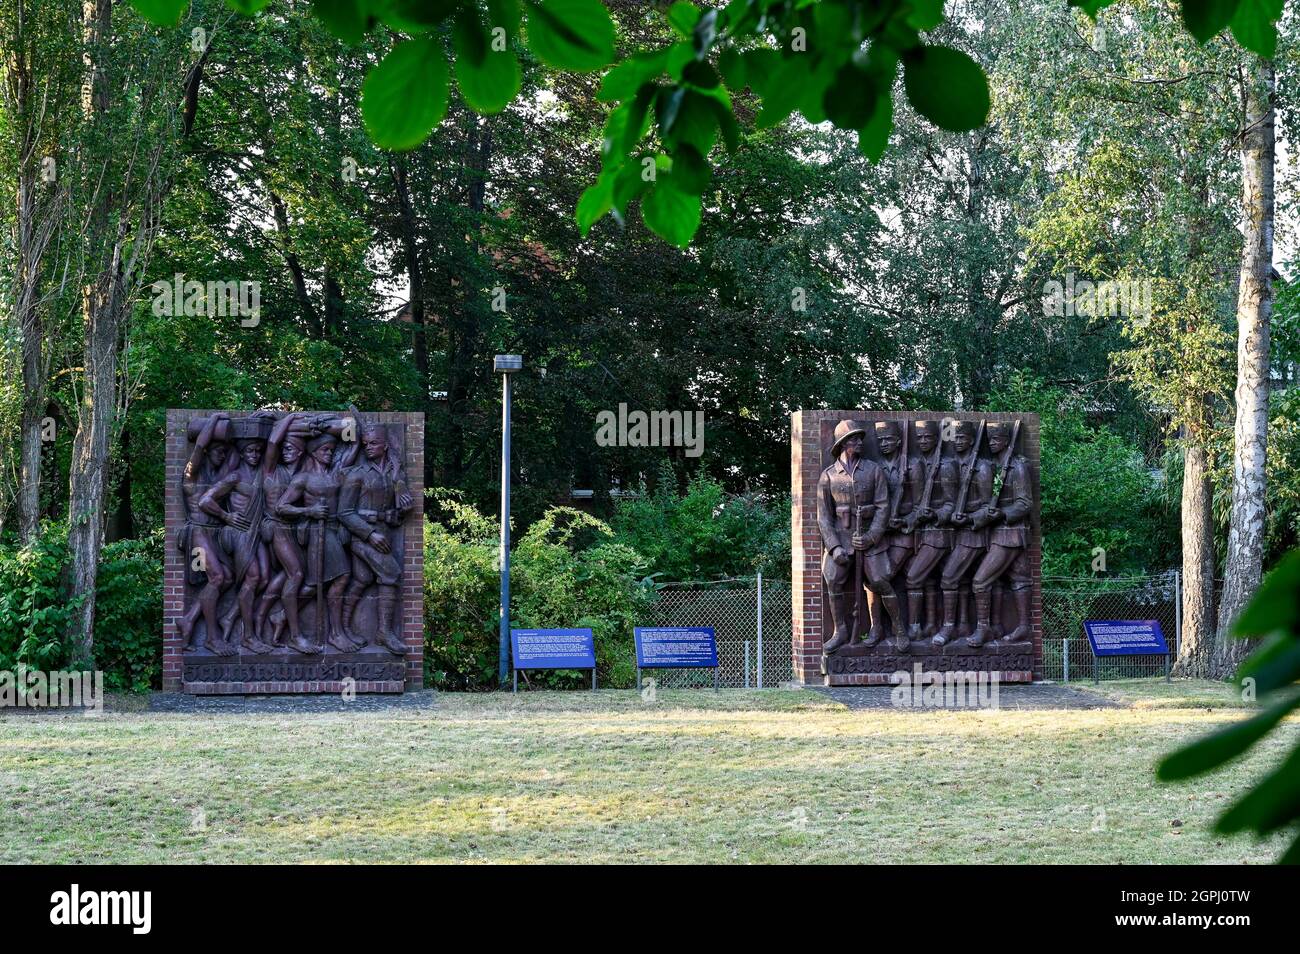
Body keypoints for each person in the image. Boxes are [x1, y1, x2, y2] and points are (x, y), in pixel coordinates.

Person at [817, 420, 904, 653]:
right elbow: (824, 518)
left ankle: (897, 627)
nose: (859, 442)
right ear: (843, 443)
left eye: (859, 438)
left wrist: (871, 537)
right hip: (842, 541)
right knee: (833, 578)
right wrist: (834, 548)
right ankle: (841, 631)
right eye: (853, 439)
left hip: (870, 540)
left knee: (878, 581)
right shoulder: (828, 476)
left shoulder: (873, 470)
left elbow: (883, 507)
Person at [969, 421, 1033, 646]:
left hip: (1010, 533)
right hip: (998, 532)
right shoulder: (995, 466)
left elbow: (1025, 504)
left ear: (1007, 440)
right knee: (1018, 579)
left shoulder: (1016, 467)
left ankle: (984, 629)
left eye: (997, 439)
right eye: (991, 440)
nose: (993, 443)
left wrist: (1001, 514)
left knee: (980, 581)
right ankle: (1021, 627)